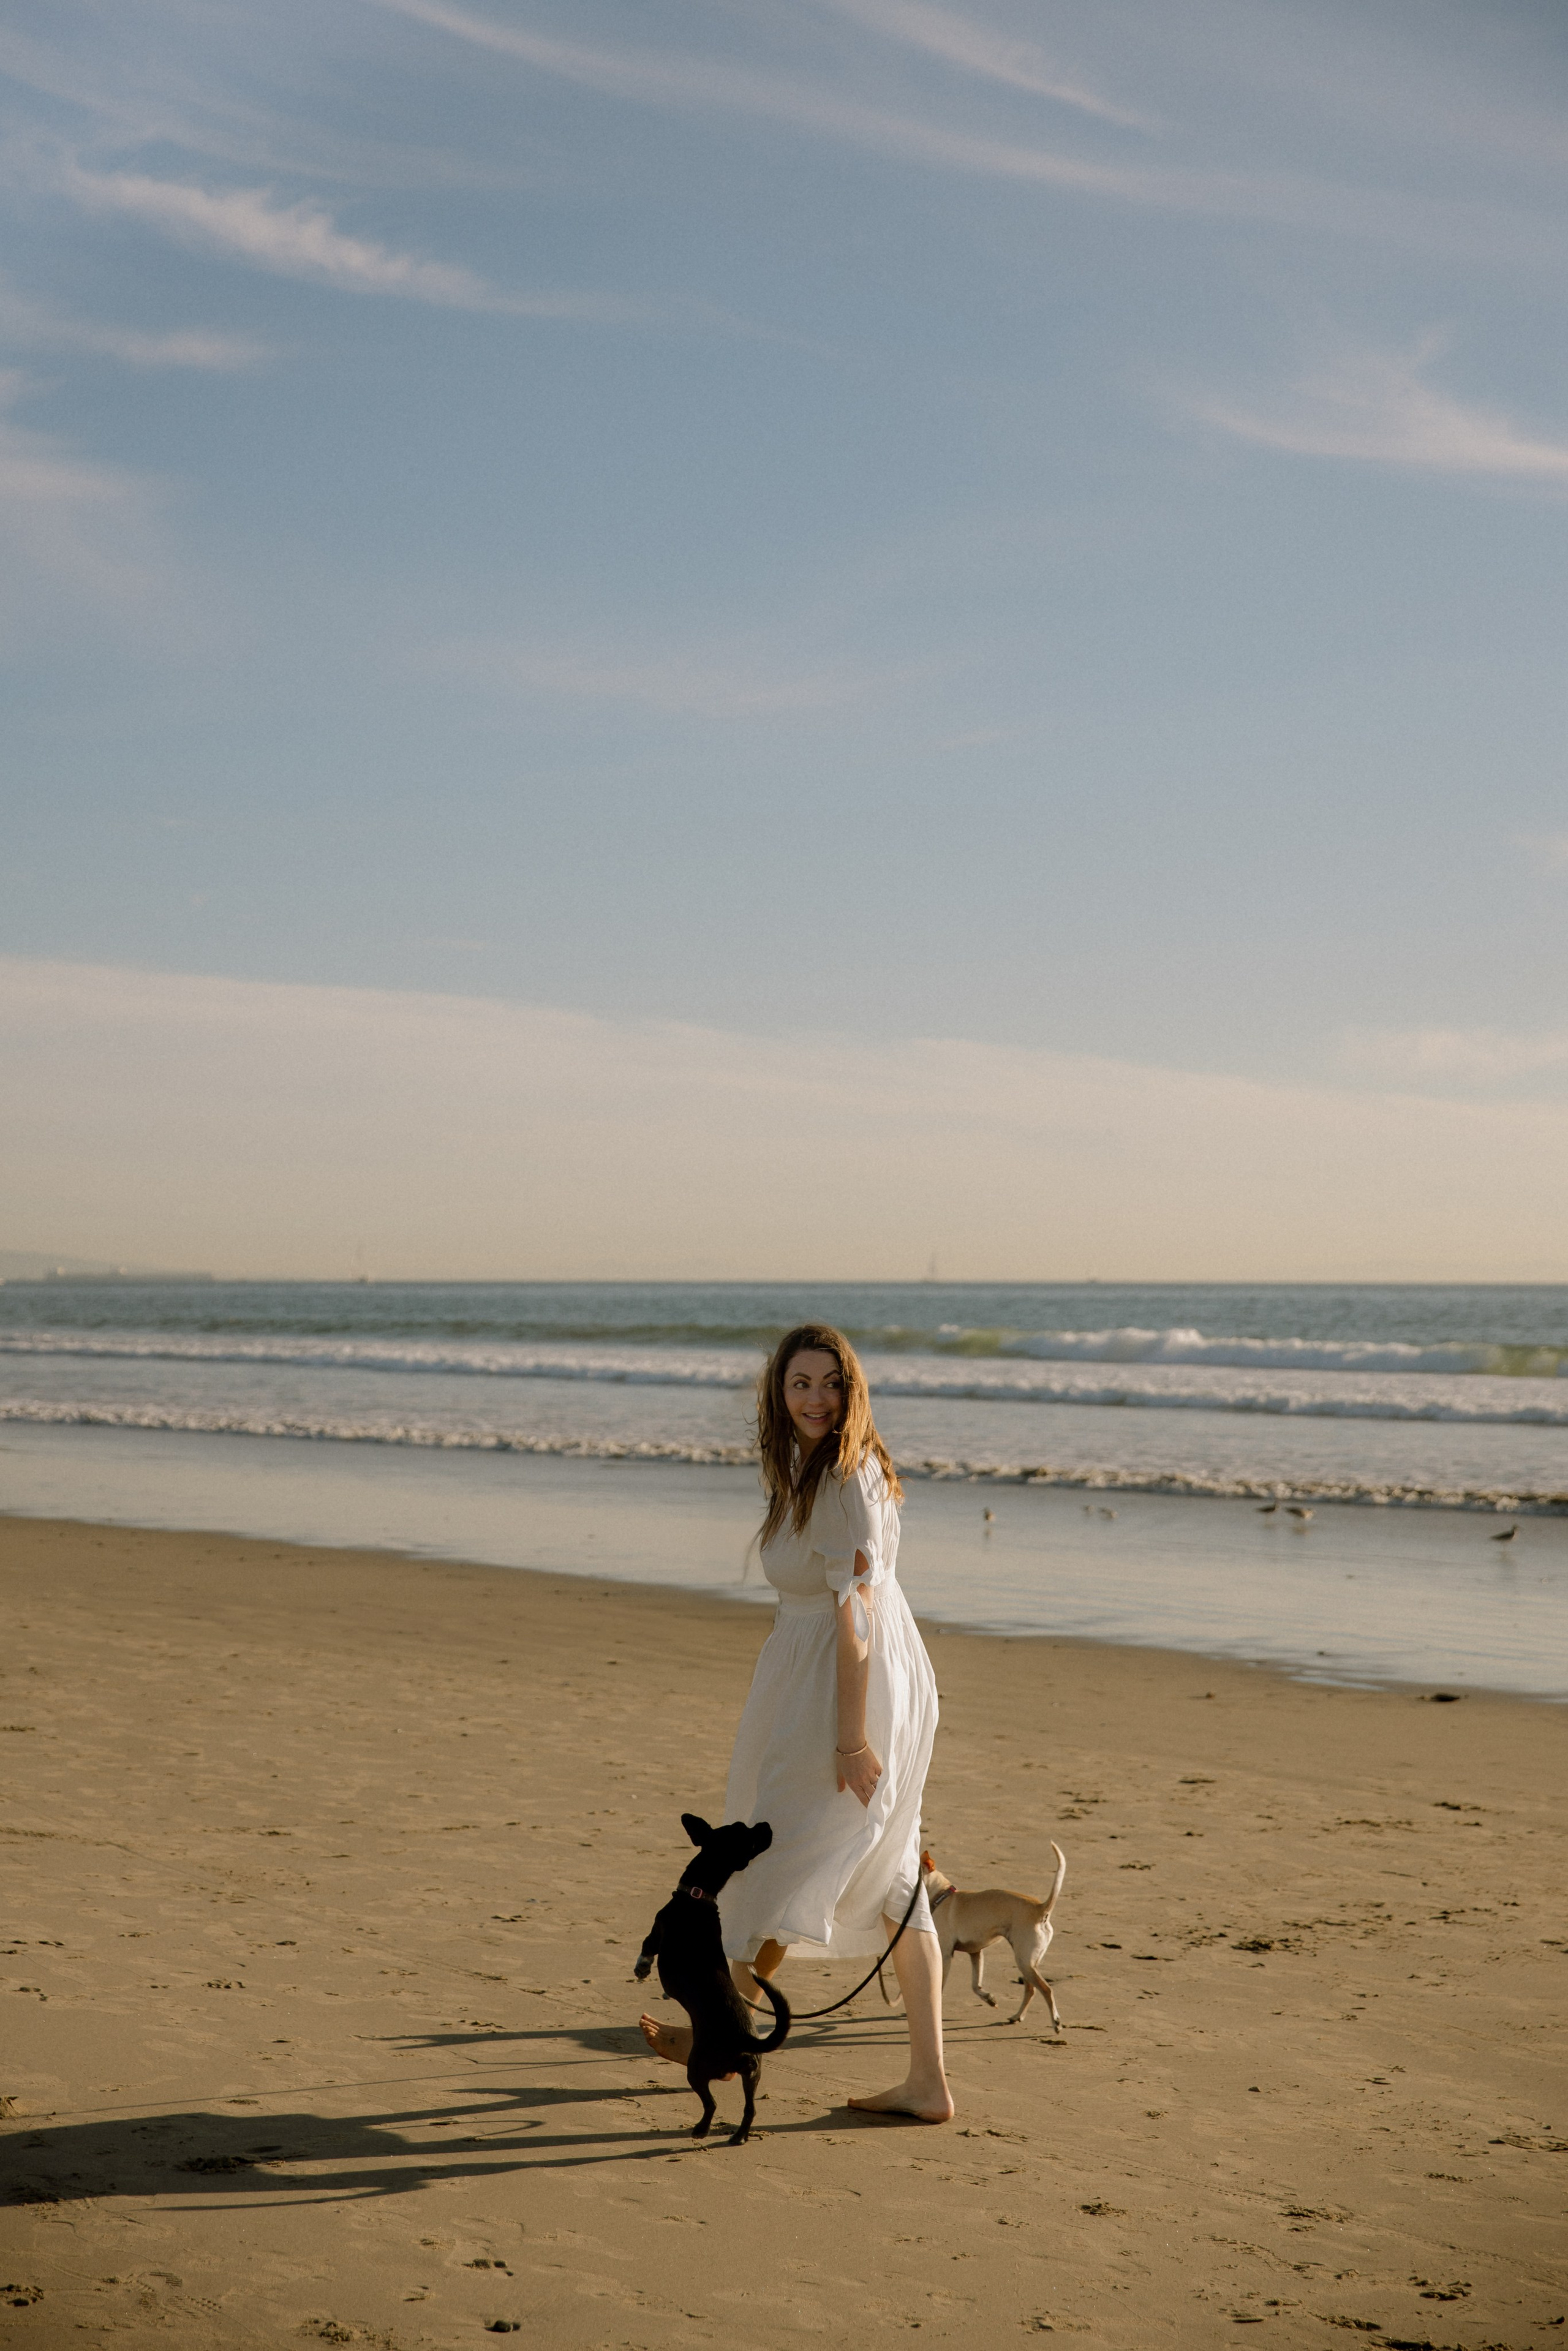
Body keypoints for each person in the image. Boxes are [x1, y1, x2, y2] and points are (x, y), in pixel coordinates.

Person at [639, 1322, 951, 2123]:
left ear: (854, 1390)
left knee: (770, 1854)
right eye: (801, 1382)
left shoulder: (846, 1476)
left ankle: (717, 2029)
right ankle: (928, 2080)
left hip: (849, 1685)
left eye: (831, 1382)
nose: (817, 1397)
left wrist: (851, 1739)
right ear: (779, 1391)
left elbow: (854, 1620)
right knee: (889, 1878)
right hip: (832, 1674)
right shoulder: (811, 1466)